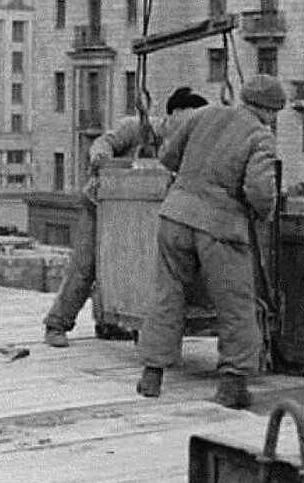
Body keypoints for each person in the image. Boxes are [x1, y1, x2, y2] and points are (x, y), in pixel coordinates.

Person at [136, 74, 284, 409]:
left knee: (167, 293)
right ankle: (232, 385)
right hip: (218, 226)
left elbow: (167, 156)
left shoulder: (204, 115)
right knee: (236, 304)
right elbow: (260, 190)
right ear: (272, 111)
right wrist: (263, 215)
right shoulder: (261, 136)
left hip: (174, 217)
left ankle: (152, 373)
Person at [42, 86, 209, 348]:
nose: (194, 127)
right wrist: (104, 163)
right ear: (173, 114)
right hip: (101, 204)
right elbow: (102, 143)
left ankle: (113, 323)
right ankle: (57, 323)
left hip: (141, 213)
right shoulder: (136, 128)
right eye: (190, 120)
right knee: (86, 264)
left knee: (130, 265)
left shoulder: (186, 144)